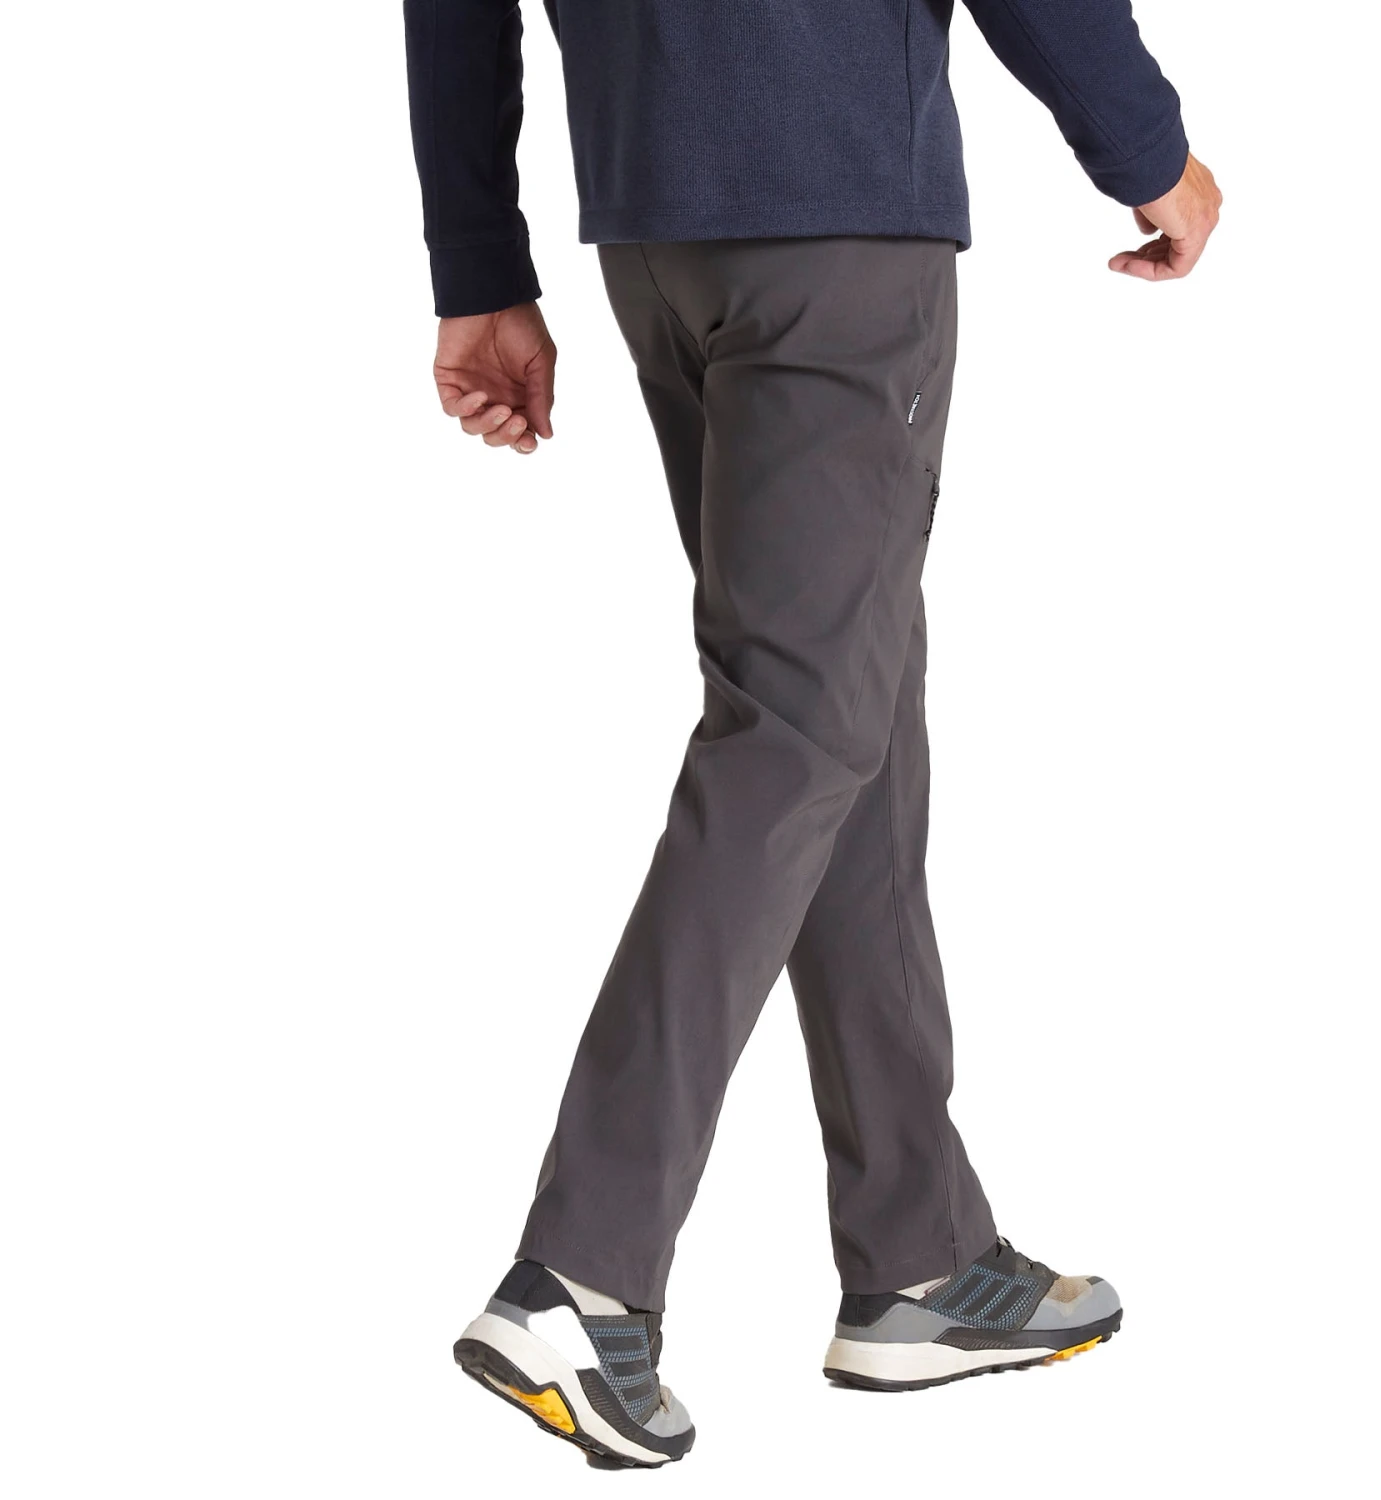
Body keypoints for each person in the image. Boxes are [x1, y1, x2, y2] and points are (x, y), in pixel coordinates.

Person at [405, 0, 1220, 1468]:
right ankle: (582, 1276)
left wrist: (479, 263)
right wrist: (1146, 147)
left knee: (846, 710)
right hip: (832, 203)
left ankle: (921, 1260)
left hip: (657, 227)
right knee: (797, 731)